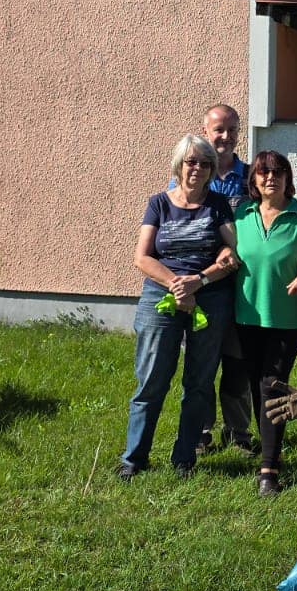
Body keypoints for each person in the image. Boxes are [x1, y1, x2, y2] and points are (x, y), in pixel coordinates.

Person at [120, 134, 238, 481]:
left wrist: (198, 281)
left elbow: (233, 253)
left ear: (212, 169)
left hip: (209, 296)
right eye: (191, 162)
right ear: (178, 165)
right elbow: (142, 257)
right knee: (151, 381)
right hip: (160, 297)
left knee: (199, 382)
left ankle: (184, 458)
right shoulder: (158, 203)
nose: (197, 168)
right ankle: (134, 459)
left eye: (204, 163)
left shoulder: (218, 206)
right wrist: (177, 284)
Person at [232, 151, 297, 497]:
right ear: (254, 180)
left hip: (287, 319)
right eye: (264, 173)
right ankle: (265, 447)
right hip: (246, 314)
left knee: (273, 384)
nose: (271, 179)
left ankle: (269, 468)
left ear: (287, 178)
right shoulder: (241, 214)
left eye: (278, 173)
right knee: (256, 384)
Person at [183, 103, 258, 459]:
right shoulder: (192, 172)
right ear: (206, 130)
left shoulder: (252, 177)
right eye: (218, 130)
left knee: (238, 362)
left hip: (242, 286)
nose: (225, 137)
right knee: (202, 361)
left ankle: (239, 431)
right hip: (203, 286)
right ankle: (201, 431)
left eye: (232, 130)